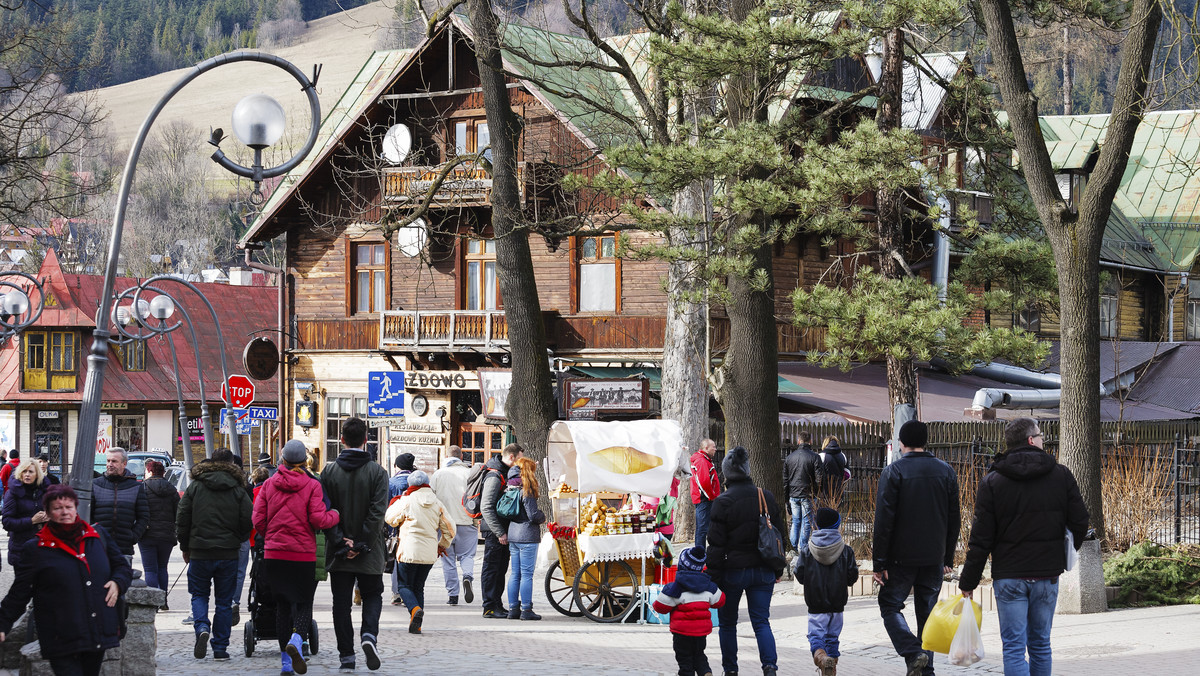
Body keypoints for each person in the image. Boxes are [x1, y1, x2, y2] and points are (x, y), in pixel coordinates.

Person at [959, 417, 1089, 676]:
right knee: (1041, 644)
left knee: (1014, 648)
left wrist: (968, 582)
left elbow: (981, 539)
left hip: (1009, 576)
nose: (1043, 439)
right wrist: (1064, 551)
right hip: (1046, 575)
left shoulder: (992, 482)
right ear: (1031, 440)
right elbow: (1081, 521)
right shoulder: (1060, 475)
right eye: (1040, 435)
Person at [0, 485, 132, 676]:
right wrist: (3, 623)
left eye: (68, 507)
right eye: (57, 508)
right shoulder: (36, 548)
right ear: (47, 513)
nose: (64, 512)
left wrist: (118, 582)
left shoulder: (97, 536)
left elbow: (122, 566)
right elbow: (20, 591)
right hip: (60, 634)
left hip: (95, 630)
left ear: (76, 508)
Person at [872, 420, 960, 676]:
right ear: (925, 441)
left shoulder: (893, 472)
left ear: (901, 443)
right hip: (933, 557)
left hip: (901, 558)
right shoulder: (946, 472)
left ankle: (912, 652)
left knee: (890, 605)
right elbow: (953, 519)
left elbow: (884, 521)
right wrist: (947, 556)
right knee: (928, 615)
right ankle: (926, 670)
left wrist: (879, 563)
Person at [253, 439, 342, 676]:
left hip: (275, 555)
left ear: (282, 460)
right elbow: (318, 520)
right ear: (304, 461)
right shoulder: (312, 485)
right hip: (303, 555)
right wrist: (334, 515)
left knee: (282, 607)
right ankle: (296, 639)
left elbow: (258, 520)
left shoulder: (269, 485)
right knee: (304, 603)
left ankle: (285, 663)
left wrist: (270, 536)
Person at [706, 446, 786, 676]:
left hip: (732, 571)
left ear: (726, 473)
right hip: (763, 570)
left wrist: (713, 578)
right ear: (747, 470)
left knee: (728, 623)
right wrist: (778, 569)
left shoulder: (722, 502)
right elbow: (779, 535)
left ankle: (730, 670)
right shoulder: (766, 496)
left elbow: (716, 545)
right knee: (761, 622)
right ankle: (770, 667)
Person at [320, 417, 388, 672]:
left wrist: (341, 542)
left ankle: (346, 656)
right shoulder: (378, 472)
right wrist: (360, 543)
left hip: (339, 552)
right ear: (366, 440)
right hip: (369, 550)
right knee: (372, 595)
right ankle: (369, 635)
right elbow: (377, 512)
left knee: (341, 604)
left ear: (342, 440)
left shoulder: (328, 472)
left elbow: (324, 510)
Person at [177, 448, 253, 662]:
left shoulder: (196, 486)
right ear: (231, 463)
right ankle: (220, 647)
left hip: (200, 551)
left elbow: (182, 516)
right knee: (224, 601)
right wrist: (238, 538)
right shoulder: (238, 489)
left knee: (199, 594)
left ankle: (201, 626)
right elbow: (248, 519)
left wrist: (185, 546)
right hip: (228, 553)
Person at [384, 469, 454, 634]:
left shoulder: (407, 500)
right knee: (418, 587)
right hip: (428, 553)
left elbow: (390, 519)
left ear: (410, 485)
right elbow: (450, 529)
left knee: (403, 586)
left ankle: (415, 610)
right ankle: (417, 623)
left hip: (408, 550)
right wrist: (441, 545)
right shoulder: (437, 503)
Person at [794, 507, 859, 676]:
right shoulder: (846, 551)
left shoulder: (807, 550)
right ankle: (830, 668)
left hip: (815, 604)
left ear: (817, 525)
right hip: (837, 604)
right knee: (832, 638)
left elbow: (799, 574)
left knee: (816, 637)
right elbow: (852, 577)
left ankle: (822, 660)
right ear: (836, 525)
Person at [652, 545, 726, 676]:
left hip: (682, 633)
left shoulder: (675, 587)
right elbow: (720, 601)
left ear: (682, 565)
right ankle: (706, 672)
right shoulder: (708, 586)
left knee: (685, 660)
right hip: (701, 632)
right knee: (699, 655)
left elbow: (660, 607)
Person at [430, 446, 478, 605]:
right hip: (466, 521)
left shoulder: (438, 474)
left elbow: (431, 499)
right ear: (461, 456)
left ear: (446, 456)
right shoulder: (470, 473)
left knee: (448, 560)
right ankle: (468, 576)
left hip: (445, 525)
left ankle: (453, 595)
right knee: (467, 556)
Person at [479, 443, 521, 619]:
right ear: (511, 457)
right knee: (492, 568)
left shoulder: (503, 472)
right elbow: (486, 507)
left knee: (500, 568)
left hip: (502, 530)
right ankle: (489, 607)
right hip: (494, 531)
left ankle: (497, 604)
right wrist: (499, 532)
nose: (520, 463)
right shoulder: (494, 475)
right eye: (519, 459)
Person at [505, 456, 546, 620]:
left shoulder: (511, 487)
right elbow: (533, 515)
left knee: (515, 574)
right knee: (527, 574)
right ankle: (526, 610)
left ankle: (513, 609)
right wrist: (542, 517)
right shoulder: (526, 490)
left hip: (513, 534)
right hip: (527, 536)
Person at [91, 447, 150, 558]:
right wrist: (94, 535)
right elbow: (88, 515)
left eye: (114, 461)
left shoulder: (136, 487)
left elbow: (144, 517)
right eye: (108, 461)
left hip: (124, 549)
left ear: (124, 463)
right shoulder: (95, 485)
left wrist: (132, 537)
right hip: (99, 547)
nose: (110, 464)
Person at [140, 460, 180, 604]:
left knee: (150, 569)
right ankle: (163, 600)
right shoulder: (172, 489)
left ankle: (153, 602)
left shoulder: (142, 488)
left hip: (147, 534)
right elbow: (178, 512)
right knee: (163, 567)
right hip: (167, 534)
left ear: (150, 472)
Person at [2, 459, 47, 570]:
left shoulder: (44, 491)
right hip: (21, 548)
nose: (27, 474)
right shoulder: (13, 493)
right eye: (24, 471)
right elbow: (7, 522)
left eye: (30, 472)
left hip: (43, 547)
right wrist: (31, 521)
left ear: (37, 474)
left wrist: (49, 515)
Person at [784, 431, 824, 550]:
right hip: (808, 494)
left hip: (793, 493)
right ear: (810, 441)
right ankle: (803, 548)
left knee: (796, 521)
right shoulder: (815, 457)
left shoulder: (789, 458)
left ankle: (793, 547)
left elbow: (785, 480)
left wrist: (786, 499)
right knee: (807, 522)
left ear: (798, 441)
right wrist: (816, 493)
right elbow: (819, 479)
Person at [387, 452, 415, 604]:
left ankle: (397, 592)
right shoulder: (417, 482)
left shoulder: (391, 483)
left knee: (397, 560)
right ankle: (409, 591)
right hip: (413, 526)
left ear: (397, 466)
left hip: (395, 527)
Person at [689, 438, 721, 548]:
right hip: (704, 500)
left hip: (706, 499)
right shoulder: (702, 461)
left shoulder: (704, 459)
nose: (715, 449)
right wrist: (712, 496)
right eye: (713, 447)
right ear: (706, 448)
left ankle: (703, 553)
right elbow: (703, 482)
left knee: (705, 528)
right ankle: (700, 555)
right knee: (702, 529)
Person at [816, 436, 849, 505]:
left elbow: (817, 474)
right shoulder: (843, 455)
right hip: (839, 489)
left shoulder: (821, 456)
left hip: (825, 490)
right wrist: (840, 481)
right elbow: (848, 474)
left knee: (825, 512)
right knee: (836, 511)